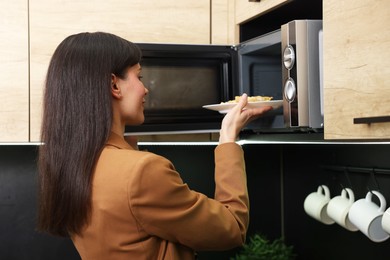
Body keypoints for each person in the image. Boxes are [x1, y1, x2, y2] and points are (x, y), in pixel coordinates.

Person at [37, 32, 273, 260]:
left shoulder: (73, 163)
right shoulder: (141, 172)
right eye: (139, 77)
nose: (145, 89)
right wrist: (228, 138)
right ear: (114, 85)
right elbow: (231, 228)